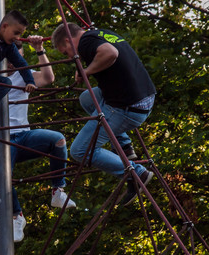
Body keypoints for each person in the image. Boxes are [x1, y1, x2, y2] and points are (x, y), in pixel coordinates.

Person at [51, 23, 156, 205]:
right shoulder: (101, 33)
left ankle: (137, 173)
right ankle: (124, 147)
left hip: (128, 108)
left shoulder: (85, 44)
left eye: (65, 52)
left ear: (68, 40)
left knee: (80, 150)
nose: (69, 57)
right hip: (143, 96)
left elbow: (111, 53)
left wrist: (86, 71)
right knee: (87, 98)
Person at [6, 39, 76, 242]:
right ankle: (16, 216)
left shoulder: (23, 76)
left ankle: (57, 191)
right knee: (4, 176)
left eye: (16, 59)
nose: (12, 63)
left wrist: (39, 50)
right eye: (9, 59)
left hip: (23, 135)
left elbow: (48, 77)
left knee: (58, 140)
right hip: (1, 139)